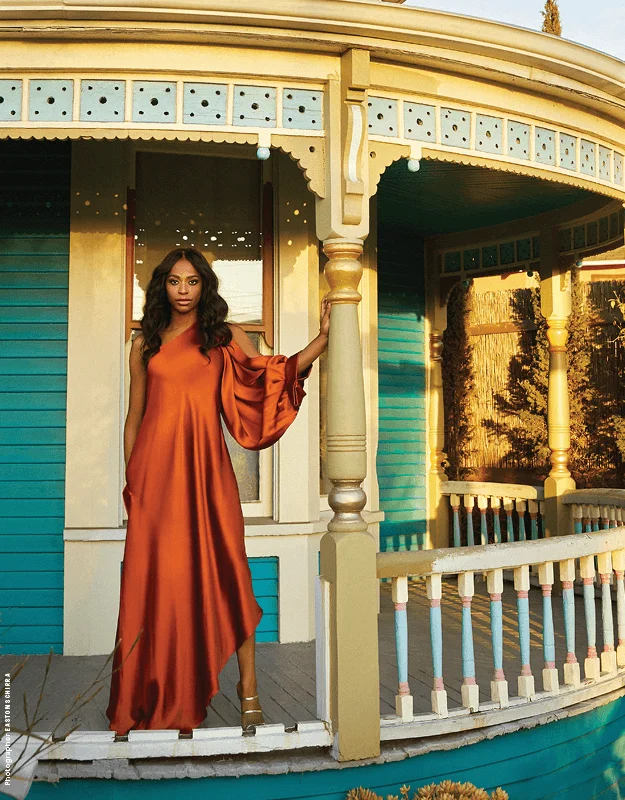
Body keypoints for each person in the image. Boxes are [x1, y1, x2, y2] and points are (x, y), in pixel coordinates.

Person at [105, 247, 330, 735]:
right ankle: (147, 699)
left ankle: (248, 689)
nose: (183, 290)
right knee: (155, 585)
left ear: (204, 286)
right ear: (161, 286)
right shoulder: (145, 343)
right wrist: (133, 480)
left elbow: (271, 377)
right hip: (154, 478)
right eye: (173, 281)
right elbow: (135, 416)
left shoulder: (224, 338)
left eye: (192, 281)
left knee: (230, 576)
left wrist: (321, 341)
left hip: (207, 475)